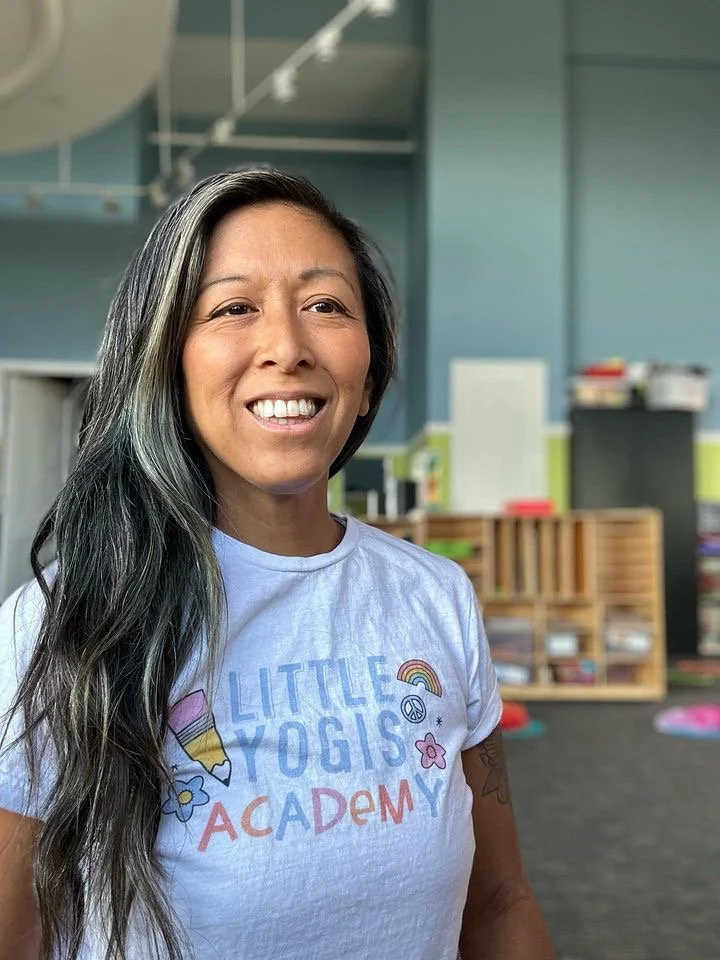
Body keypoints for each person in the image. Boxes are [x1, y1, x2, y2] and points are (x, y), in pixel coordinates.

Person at [0, 168, 554, 960]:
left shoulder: (435, 598)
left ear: (368, 375)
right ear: (169, 368)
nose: (287, 348)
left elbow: (500, 905)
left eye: (326, 306)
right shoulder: (63, 624)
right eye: (233, 308)